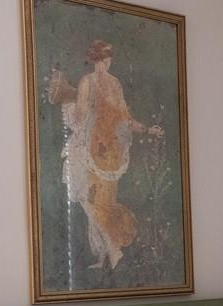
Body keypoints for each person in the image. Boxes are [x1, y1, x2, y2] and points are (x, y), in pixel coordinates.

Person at [47, 40, 162, 271]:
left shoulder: (88, 81)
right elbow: (126, 119)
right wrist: (148, 129)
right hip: (112, 152)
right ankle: (105, 255)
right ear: (104, 59)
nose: (107, 62)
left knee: (93, 201)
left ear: (95, 59)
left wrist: (72, 102)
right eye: (106, 58)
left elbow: (80, 118)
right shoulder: (115, 84)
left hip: (96, 150)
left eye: (106, 58)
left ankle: (113, 250)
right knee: (98, 201)